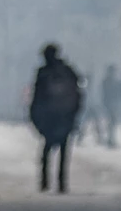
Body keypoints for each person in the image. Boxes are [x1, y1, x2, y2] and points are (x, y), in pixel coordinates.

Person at [28, 43, 82, 194]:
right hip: (63, 115)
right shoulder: (67, 70)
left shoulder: (44, 72)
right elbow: (78, 92)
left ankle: (46, 181)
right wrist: (74, 112)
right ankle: (61, 182)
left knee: (47, 148)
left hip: (51, 116)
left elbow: (37, 96)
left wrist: (34, 115)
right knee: (63, 150)